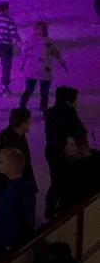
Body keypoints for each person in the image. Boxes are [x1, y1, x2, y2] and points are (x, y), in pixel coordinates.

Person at [43, 86, 86, 220]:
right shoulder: (70, 113)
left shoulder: (50, 112)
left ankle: (49, 211)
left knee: (56, 181)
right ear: (69, 100)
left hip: (51, 151)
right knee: (65, 181)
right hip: (64, 152)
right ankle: (61, 209)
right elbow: (79, 131)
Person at [0, 148, 36, 259]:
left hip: (8, 246)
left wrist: (6, 245)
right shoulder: (25, 188)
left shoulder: (12, 193)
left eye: (1, 161)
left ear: (11, 165)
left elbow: (11, 221)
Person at [0, 108, 36, 207]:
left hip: (9, 186)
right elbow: (12, 166)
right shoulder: (6, 140)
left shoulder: (19, 136)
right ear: (23, 122)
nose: (32, 122)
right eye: (29, 120)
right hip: (4, 187)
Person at [19, 21, 68, 112]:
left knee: (44, 92)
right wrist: (22, 65)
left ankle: (43, 109)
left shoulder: (48, 41)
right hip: (33, 69)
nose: (38, 31)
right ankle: (22, 106)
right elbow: (24, 53)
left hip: (44, 69)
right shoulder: (31, 40)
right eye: (37, 29)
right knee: (29, 89)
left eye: (40, 29)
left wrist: (63, 63)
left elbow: (56, 53)